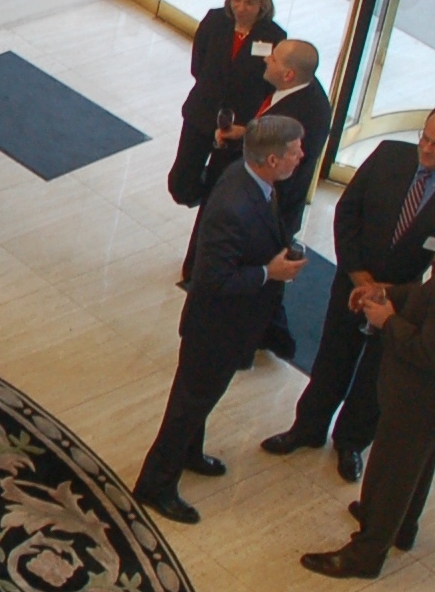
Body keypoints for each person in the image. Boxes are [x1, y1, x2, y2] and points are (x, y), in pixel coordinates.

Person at [300, 159, 435, 575]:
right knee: (416, 464)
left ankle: (367, 552)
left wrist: (386, 320)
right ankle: (400, 525)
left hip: (420, 391)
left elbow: (430, 352)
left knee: (393, 467)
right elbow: (429, 293)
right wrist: (387, 293)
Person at [266, 102, 435, 478]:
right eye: (424, 138)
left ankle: (351, 443)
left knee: (377, 377)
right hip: (353, 284)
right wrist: (359, 276)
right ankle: (307, 428)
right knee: (332, 360)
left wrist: (397, 292)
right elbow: (348, 212)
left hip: (403, 303)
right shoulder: (389, 155)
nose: (426, 148)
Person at [131, 114, 306, 525]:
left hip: (231, 326)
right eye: (295, 152)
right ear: (272, 160)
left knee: (199, 401)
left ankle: (190, 453)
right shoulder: (235, 206)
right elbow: (213, 279)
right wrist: (269, 272)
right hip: (215, 329)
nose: (301, 157)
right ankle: (156, 484)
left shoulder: (250, 180)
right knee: (187, 408)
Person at [188, 38, 327, 281]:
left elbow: (278, 170)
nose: (266, 59)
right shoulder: (308, 89)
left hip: (263, 217)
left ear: (289, 75)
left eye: (273, 58)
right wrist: (246, 133)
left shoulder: (297, 118)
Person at [168, 0, 285, 208]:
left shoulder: (273, 36)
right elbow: (198, 65)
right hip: (203, 112)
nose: (241, 7)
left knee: (220, 186)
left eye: (249, 2)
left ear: (262, 4)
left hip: (239, 124)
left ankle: (210, 211)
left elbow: (269, 84)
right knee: (180, 183)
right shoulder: (215, 21)